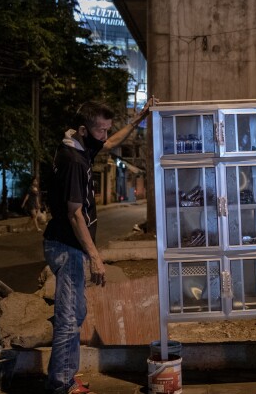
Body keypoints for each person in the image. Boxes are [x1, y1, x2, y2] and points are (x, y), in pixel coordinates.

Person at [44, 97, 154, 394]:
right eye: (100, 130)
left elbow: (108, 144)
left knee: (76, 314)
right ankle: (61, 385)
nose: (104, 137)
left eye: (107, 130)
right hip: (66, 247)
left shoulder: (79, 147)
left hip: (70, 248)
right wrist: (95, 256)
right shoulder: (73, 161)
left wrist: (136, 120)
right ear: (83, 130)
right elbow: (75, 212)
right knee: (69, 319)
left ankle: (65, 374)